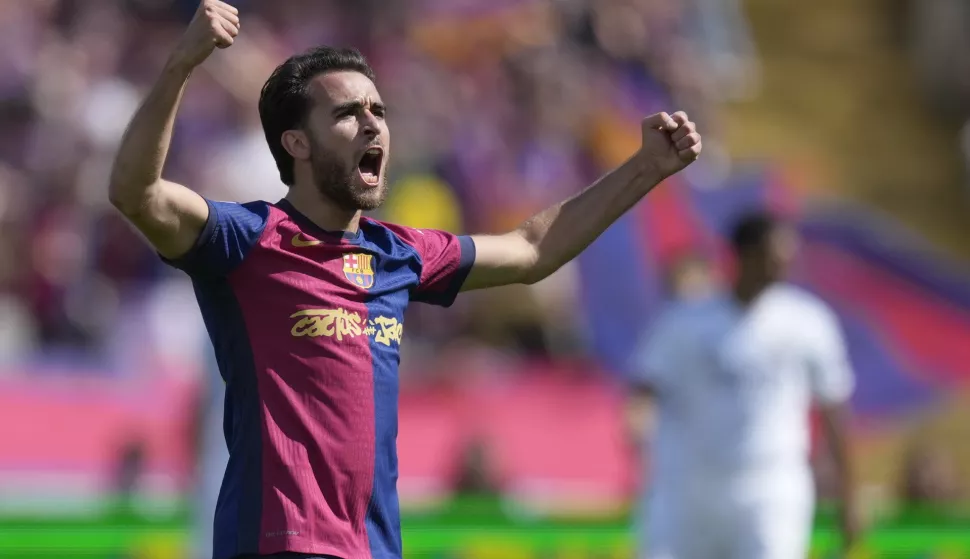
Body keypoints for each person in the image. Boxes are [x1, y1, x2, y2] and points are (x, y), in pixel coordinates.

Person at [107, 2, 702, 558]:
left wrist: (647, 167)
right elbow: (136, 194)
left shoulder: (397, 253)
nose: (373, 127)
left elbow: (533, 250)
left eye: (378, 111)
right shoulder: (247, 240)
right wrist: (182, 65)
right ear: (297, 144)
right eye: (347, 114)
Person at [625, 211, 860, 559]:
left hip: (769, 488)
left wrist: (849, 496)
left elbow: (834, 410)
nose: (784, 265)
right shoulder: (685, 322)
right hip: (689, 489)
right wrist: (637, 424)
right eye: (774, 255)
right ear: (744, 255)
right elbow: (644, 390)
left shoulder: (808, 322)